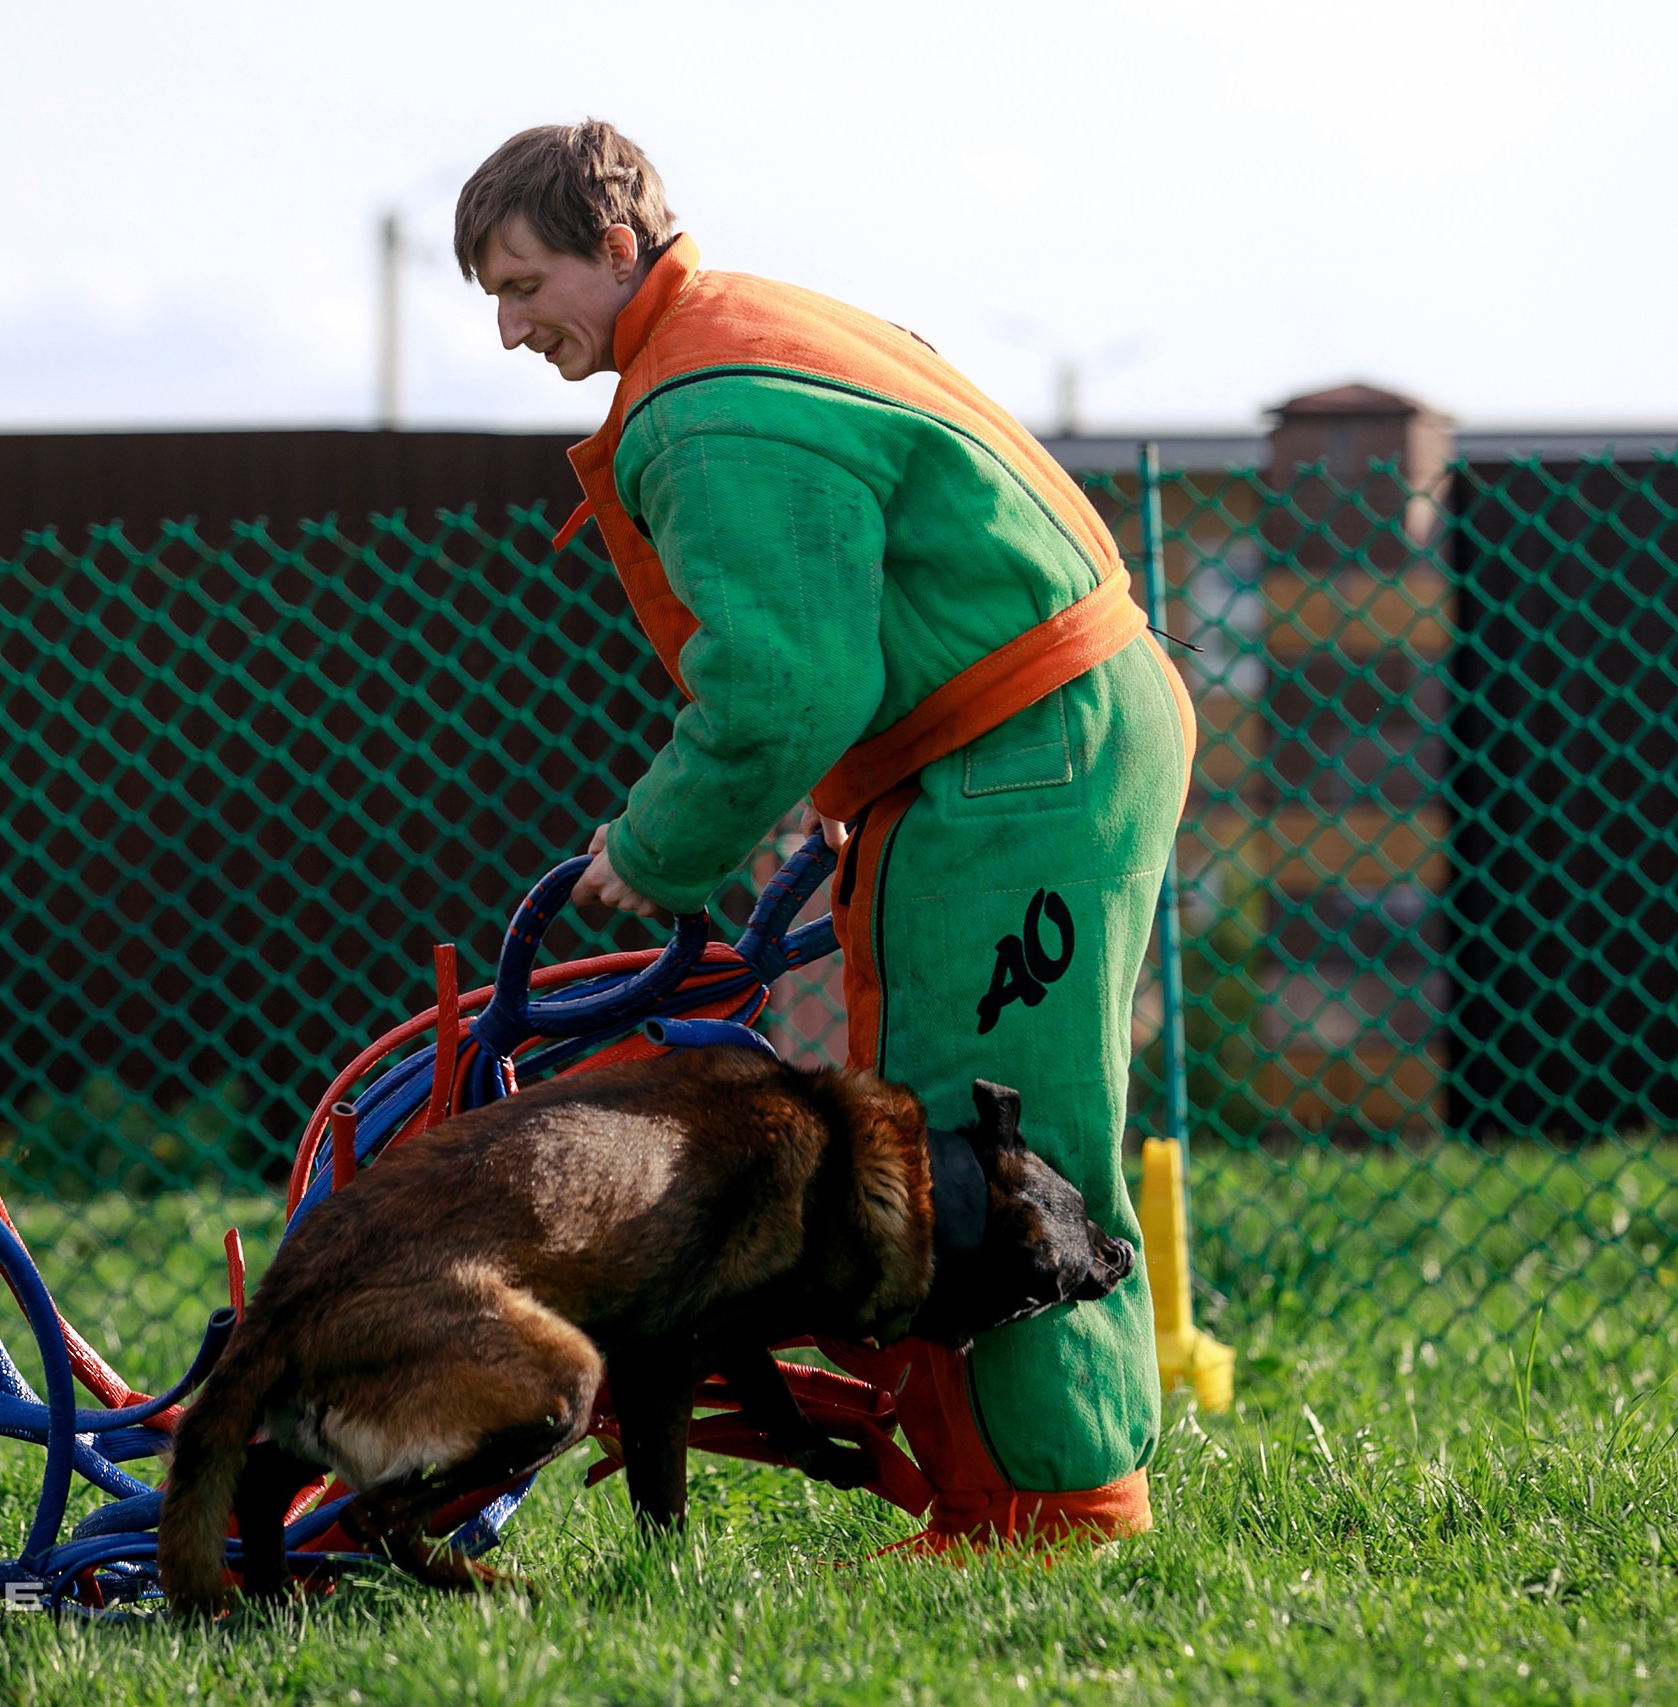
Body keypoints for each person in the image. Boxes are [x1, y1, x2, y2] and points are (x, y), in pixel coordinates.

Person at [454, 119, 1194, 1545]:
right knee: (954, 1112)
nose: (508, 329)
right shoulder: (754, 333)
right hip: (1029, 738)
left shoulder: (705, 406)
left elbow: (787, 686)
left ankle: (1055, 1503)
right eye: (491, 293)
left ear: (618, 247)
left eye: (524, 281)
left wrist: (654, 847)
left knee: (986, 1134)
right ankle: (1001, 1479)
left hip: (1023, 752)